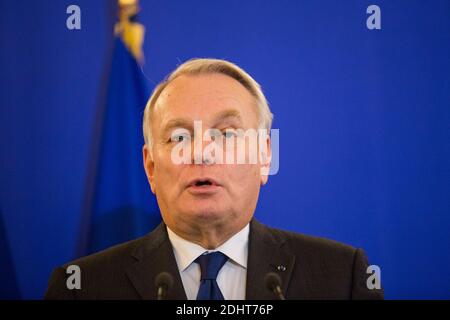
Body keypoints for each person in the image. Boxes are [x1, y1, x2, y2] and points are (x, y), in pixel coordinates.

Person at [45, 58, 383, 300]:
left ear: (264, 157)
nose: (202, 153)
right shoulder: (81, 287)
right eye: (179, 137)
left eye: (227, 134)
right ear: (150, 168)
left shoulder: (342, 277)